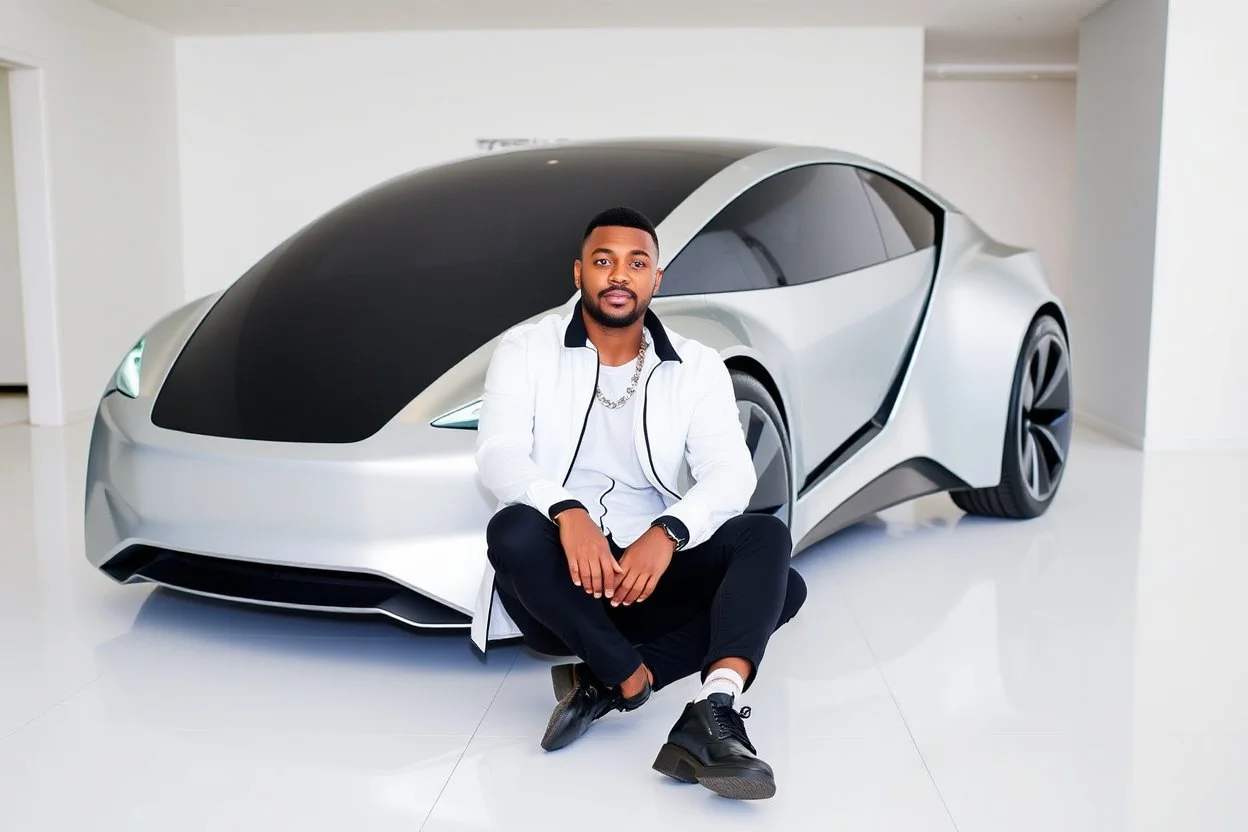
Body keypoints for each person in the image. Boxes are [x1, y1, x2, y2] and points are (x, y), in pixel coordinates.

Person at [473, 206, 806, 800]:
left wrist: (670, 530)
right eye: (604, 261)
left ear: (656, 278)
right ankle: (623, 675)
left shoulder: (697, 365)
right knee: (512, 531)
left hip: (644, 578)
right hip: (561, 593)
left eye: (636, 262)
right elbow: (498, 454)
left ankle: (711, 710)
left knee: (772, 554)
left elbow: (731, 473)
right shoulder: (525, 350)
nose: (619, 275)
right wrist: (566, 512)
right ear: (579, 273)